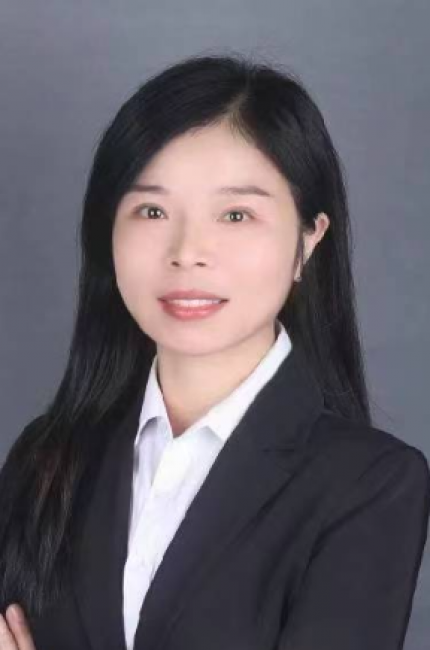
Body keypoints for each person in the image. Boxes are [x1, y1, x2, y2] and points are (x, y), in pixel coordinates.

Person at [0, 52, 429, 650]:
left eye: (235, 214)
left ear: (309, 240)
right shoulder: (45, 462)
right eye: (152, 210)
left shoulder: (369, 485)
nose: (188, 252)